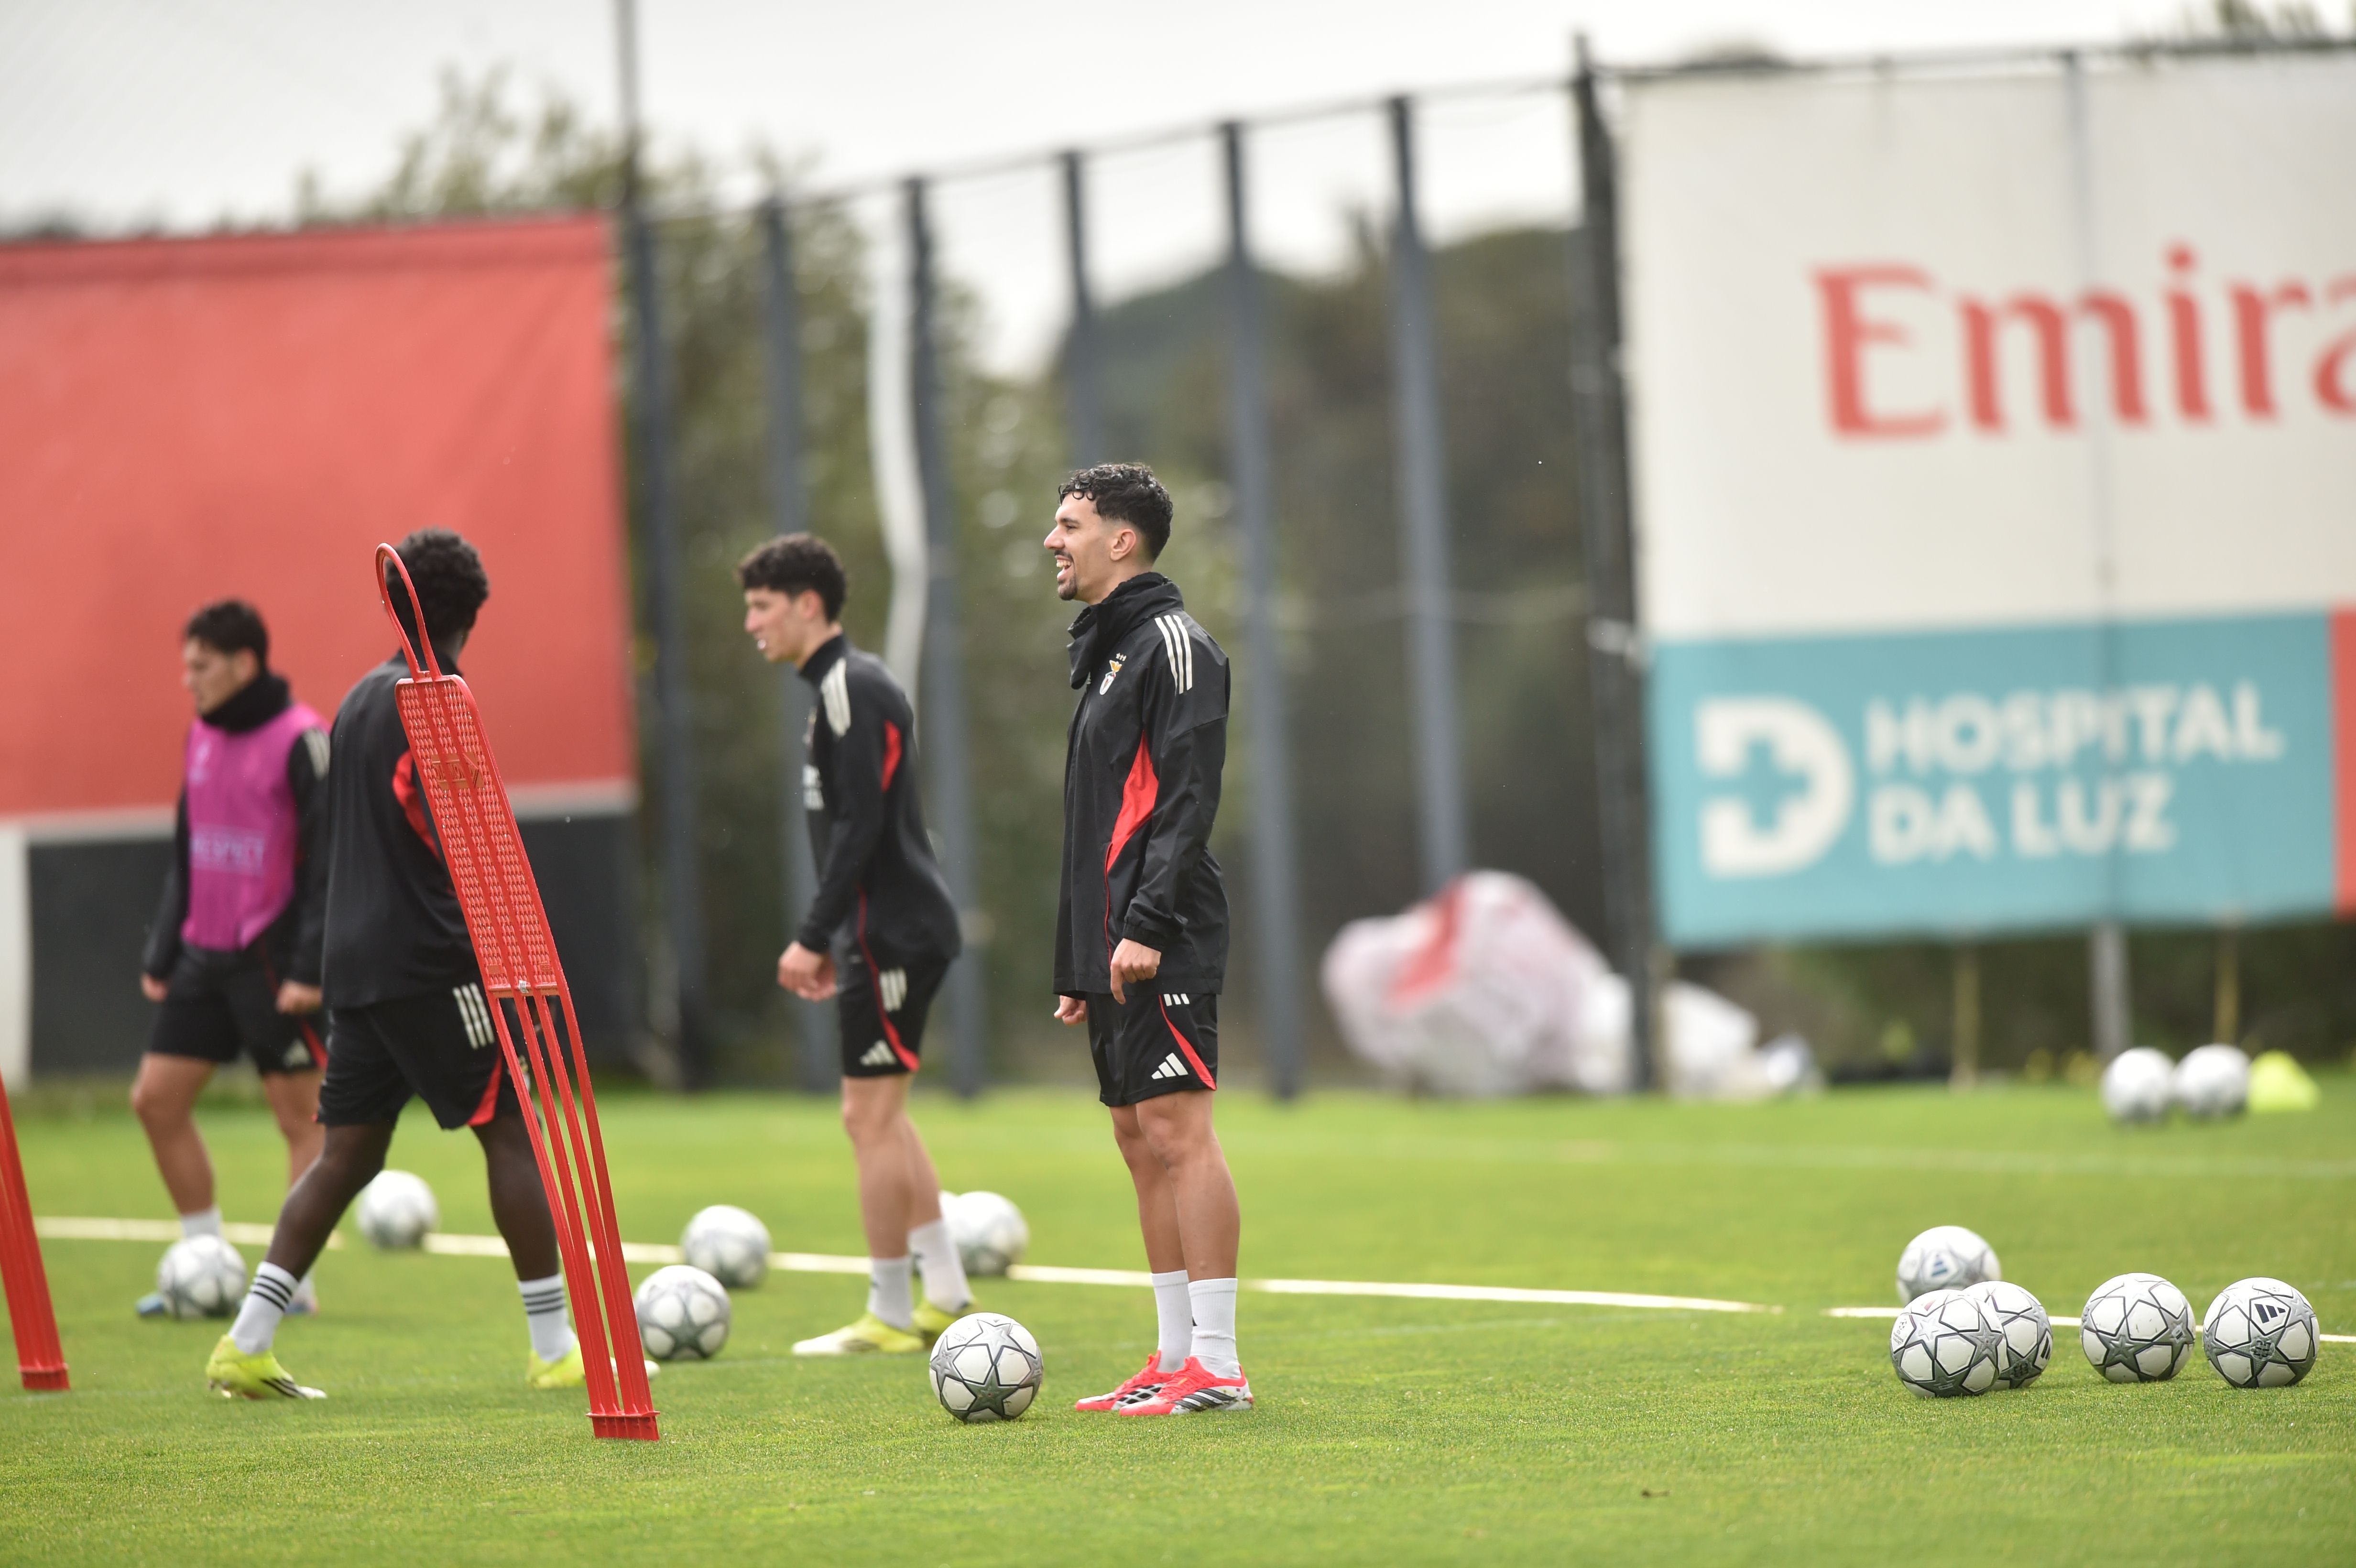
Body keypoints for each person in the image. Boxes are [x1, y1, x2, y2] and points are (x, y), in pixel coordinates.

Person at [205, 529, 594, 1400]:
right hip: (432, 961)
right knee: (515, 1134)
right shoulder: (437, 694)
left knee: (348, 1154)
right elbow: (444, 830)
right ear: (472, 616)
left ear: (398, 602)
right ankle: (554, 1345)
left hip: (356, 964)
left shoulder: (356, 698)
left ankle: (247, 1340)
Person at [1045, 463, 1251, 1415]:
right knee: (1137, 1137)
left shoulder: (1173, 643)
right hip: (1115, 941)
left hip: (1161, 932)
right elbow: (1095, 818)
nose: (1054, 540)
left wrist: (1145, 925)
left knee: (1178, 1129)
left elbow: (1185, 796)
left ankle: (1219, 1362)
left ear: (1120, 539)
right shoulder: (1112, 652)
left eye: (1070, 524)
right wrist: (1081, 959)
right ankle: (1173, 1355)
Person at [738, 533, 975, 1356]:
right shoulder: (836, 690)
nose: (750, 623)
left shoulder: (852, 685)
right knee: (885, 1112)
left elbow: (863, 827)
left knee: (865, 1116)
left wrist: (815, 935)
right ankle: (944, 1294)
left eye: (762, 606)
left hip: (893, 933)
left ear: (809, 605)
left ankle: (890, 1313)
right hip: (881, 932)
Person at [134, 600, 329, 1319]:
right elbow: (188, 845)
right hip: (200, 957)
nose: (188, 680)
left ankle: (292, 1284)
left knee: (302, 1120)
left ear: (244, 664)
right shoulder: (201, 736)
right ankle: (204, 1262)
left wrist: (310, 966)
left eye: (201, 666)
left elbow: (326, 864)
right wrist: (164, 945)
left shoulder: (303, 739)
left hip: (273, 962)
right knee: (156, 1103)